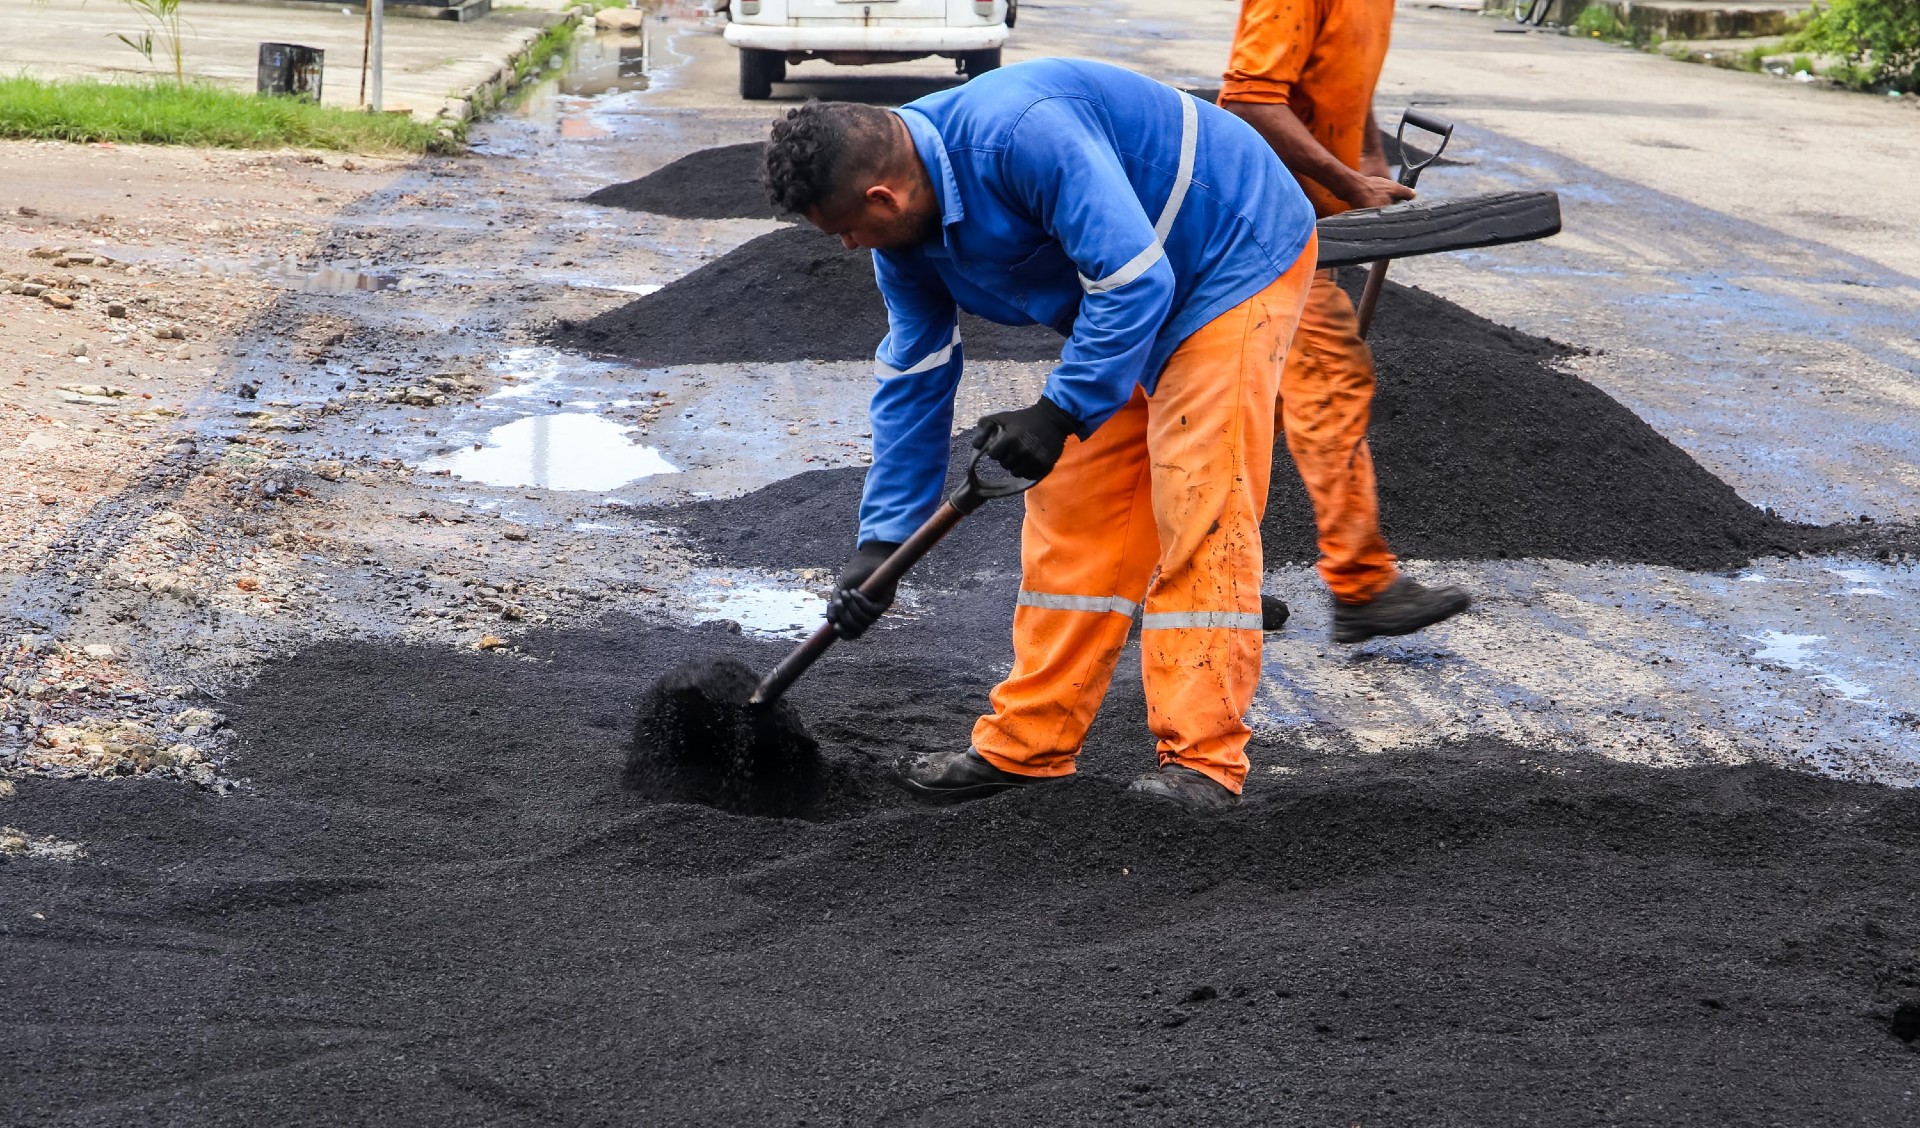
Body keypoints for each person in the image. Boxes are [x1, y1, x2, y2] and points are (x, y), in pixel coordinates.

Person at [762, 58, 1319, 811]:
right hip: (1125, 294)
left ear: (882, 196)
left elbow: (1134, 281)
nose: (849, 246)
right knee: (1074, 514)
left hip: (1225, 257)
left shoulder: (1021, 133)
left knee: (1199, 502)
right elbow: (915, 379)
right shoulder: (905, 243)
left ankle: (1203, 762)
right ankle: (1029, 744)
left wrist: (1060, 413)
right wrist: (881, 546)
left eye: (847, 229)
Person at [1219, 0, 1471, 643]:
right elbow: (1249, 101)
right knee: (1330, 380)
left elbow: (1342, 83)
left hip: (1301, 232)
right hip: (1259, 226)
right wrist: (1349, 184)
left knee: (1248, 410)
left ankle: (1204, 575)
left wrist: (1369, 159)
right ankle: (1363, 586)